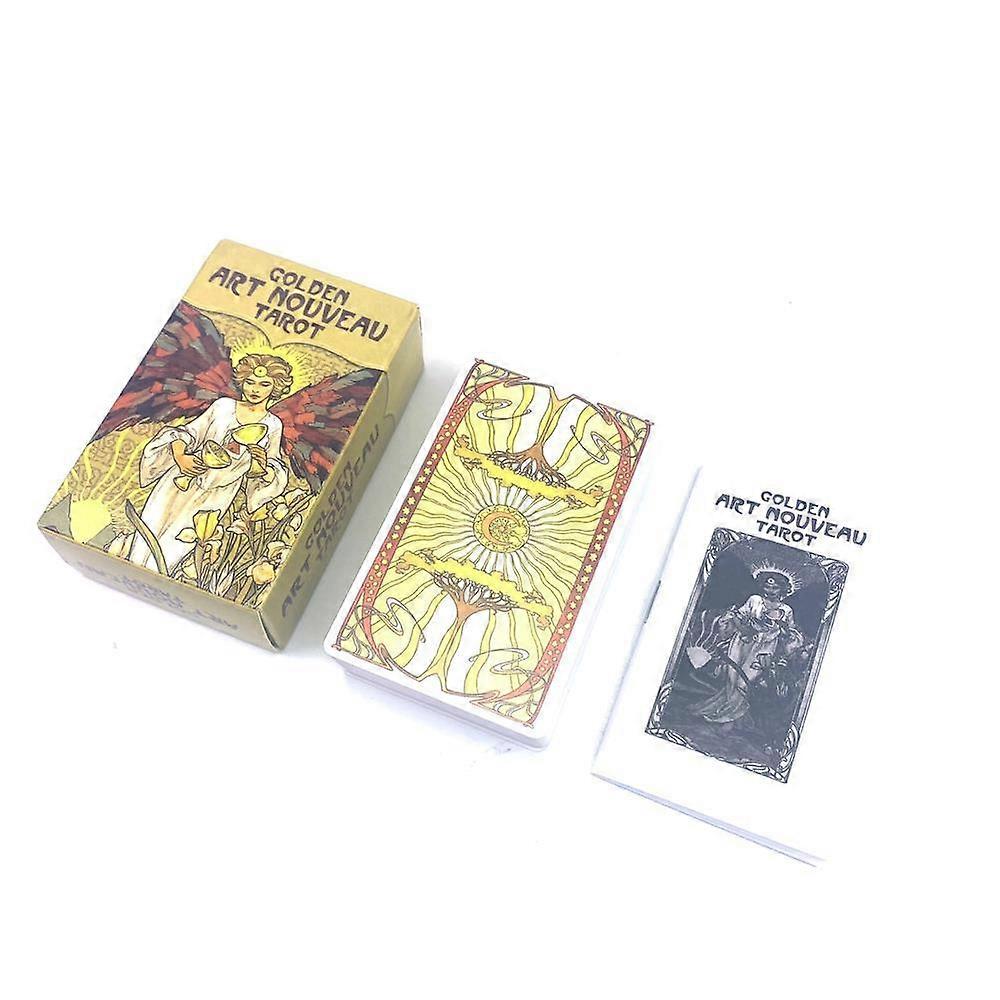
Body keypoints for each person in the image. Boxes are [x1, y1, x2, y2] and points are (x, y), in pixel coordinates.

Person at [127, 354, 291, 573]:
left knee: (173, 549)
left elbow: (273, 468)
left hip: (217, 496)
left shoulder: (273, 425)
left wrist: (261, 468)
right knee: (147, 533)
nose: (255, 389)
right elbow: (190, 433)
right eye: (250, 382)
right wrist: (181, 457)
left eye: (264, 384)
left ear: (275, 387)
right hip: (181, 479)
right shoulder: (222, 407)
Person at [693, 570, 802, 724]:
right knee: (732, 677)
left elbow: (788, 632)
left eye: (775, 587)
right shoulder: (754, 600)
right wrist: (743, 627)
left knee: (744, 682)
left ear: (783, 589)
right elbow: (738, 616)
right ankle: (724, 707)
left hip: (764, 648)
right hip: (742, 643)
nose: (770, 590)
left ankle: (732, 713)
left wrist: (783, 629)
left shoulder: (786, 610)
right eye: (767, 586)